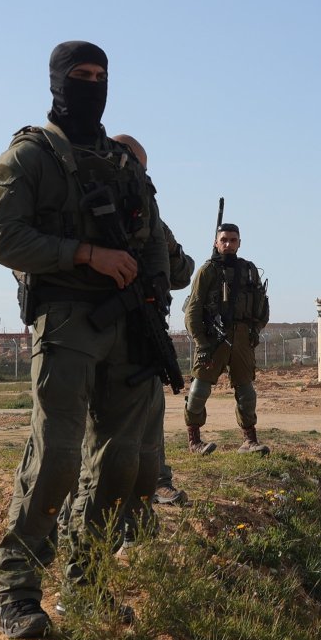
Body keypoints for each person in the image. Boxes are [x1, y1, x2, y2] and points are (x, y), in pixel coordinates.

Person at [0, 41, 169, 639]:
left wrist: (155, 296)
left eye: (100, 76)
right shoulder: (30, 156)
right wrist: (84, 253)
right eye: (80, 76)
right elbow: (4, 240)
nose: (92, 85)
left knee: (120, 465)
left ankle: (85, 586)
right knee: (57, 458)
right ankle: (17, 589)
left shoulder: (122, 162)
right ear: (58, 83)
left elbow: (156, 242)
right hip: (66, 321)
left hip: (129, 327)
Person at [112, 135, 197, 508]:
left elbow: (180, 272)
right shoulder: (84, 207)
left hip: (138, 327)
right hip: (99, 330)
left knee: (147, 412)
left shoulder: (148, 218)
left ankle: (154, 483)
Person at [183, 223, 270, 454]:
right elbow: (192, 310)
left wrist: (254, 331)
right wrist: (201, 342)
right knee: (199, 391)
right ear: (216, 242)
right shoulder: (207, 271)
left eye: (233, 240)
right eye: (224, 240)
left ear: (239, 242)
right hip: (213, 338)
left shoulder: (249, 270)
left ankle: (249, 440)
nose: (228, 244)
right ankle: (194, 441)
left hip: (242, 338)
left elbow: (262, 306)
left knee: (247, 393)